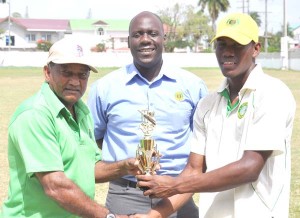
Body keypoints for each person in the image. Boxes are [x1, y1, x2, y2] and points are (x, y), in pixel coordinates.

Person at [136, 12, 296, 218]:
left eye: (236, 45)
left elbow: (250, 167)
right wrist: (154, 215)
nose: (227, 52)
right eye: (221, 44)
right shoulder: (207, 105)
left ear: (256, 48)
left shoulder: (272, 93)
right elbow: (194, 170)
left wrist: (176, 185)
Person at [0, 37, 140, 218]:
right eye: (66, 73)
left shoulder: (81, 111)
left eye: (82, 75)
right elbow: (55, 186)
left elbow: (87, 169)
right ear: (47, 72)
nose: (75, 82)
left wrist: (124, 167)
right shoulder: (35, 115)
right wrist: (108, 216)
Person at [87, 11, 208, 218]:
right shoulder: (105, 88)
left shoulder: (192, 86)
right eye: (137, 34)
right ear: (128, 41)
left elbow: (202, 144)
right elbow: (95, 137)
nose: (145, 40)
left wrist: (179, 182)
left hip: (176, 193)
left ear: (164, 39)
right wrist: (124, 162)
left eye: (152, 33)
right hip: (125, 193)